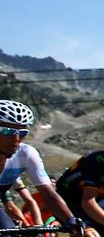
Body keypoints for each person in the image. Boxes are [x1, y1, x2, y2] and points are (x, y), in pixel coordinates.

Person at [0, 100, 84, 235]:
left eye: (22, 133)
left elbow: (49, 195)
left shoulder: (26, 154)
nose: (16, 138)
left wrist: (70, 220)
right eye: (7, 131)